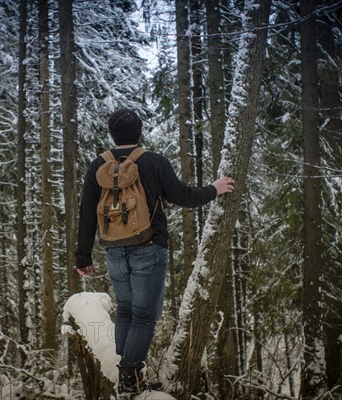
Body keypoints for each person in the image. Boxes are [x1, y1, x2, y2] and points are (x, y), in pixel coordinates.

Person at [75, 108, 234, 396]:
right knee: (145, 316)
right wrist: (214, 189)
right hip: (149, 248)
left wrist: (82, 256)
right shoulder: (153, 162)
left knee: (125, 309)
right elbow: (183, 196)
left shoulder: (98, 165)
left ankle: (125, 367)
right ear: (139, 131)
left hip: (114, 251)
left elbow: (86, 213)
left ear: (113, 135)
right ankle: (129, 375)